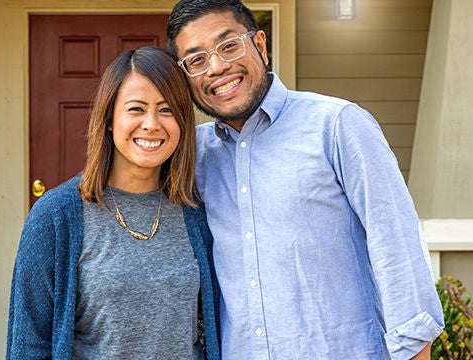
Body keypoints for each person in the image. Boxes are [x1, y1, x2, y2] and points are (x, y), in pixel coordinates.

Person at [166, 1, 445, 359]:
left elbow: (396, 250)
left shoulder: (338, 126)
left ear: (261, 46)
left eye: (229, 44)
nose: (217, 67)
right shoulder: (194, 155)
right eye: (197, 60)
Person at [6, 46, 220, 360]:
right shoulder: (55, 217)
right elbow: (28, 344)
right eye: (136, 109)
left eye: (166, 109)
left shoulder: (195, 212)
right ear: (109, 118)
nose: (151, 124)